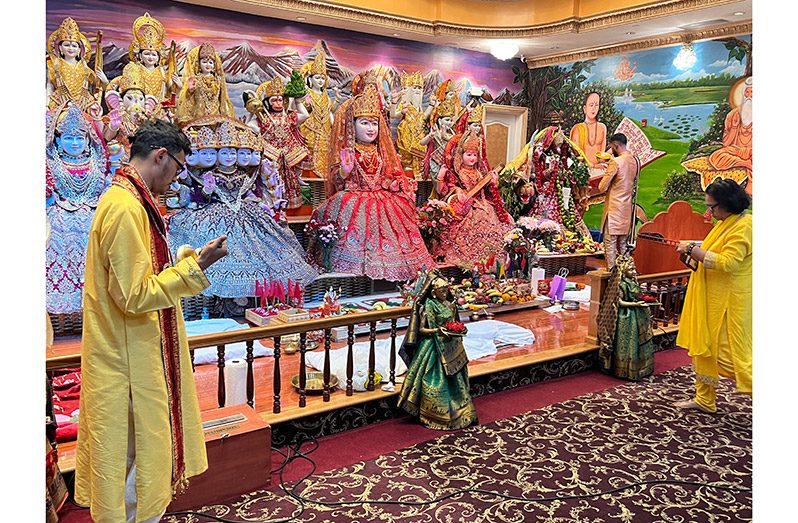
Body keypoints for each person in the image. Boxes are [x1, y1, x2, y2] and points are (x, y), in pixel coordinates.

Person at [74, 119, 229, 523]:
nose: (176, 179)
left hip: (130, 349)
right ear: (160, 156)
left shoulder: (130, 199)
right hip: (127, 361)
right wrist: (197, 268)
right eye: (177, 167)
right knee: (138, 455)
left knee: (136, 453)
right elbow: (135, 295)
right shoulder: (125, 207)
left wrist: (182, 262)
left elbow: (138, 278)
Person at [307, 81, 433, 281]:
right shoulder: (348, 151)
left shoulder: (382, 150)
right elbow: (337, 182)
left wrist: (394, 184)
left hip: (383, 200)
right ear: (352, 125)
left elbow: (387, 176)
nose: (371, 128)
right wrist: (344, 170)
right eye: (364, 122)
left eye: (374, 123)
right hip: (353, 198)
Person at [674, 178, 752, 413]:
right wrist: (693, 252)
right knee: (704, 348)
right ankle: (704, 399)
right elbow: (713, 252)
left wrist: (691, 250)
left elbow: (728, 263)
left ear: (728, 204)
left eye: (712, 207)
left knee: (732, 357)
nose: (709, 213)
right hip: (711, 297)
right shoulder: (727, 222)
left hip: (730, 303)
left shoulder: (745, 226)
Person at [398, 270, 477, 430]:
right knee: (431, 379)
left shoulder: (450, 304)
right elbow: (421, 330)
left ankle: (461, 412)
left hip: (451, 346)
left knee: (457, 379)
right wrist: (437, 331)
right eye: (441, 291)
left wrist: (457, 331)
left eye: (445, 290)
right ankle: (434, 415)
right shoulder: (429, 306)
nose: (444, 293)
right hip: (432, 347)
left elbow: (454, 322)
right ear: (433, 293)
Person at [434, 130, 513, 267]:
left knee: (503, 223)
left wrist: (494, 183)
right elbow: (444, 191)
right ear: (461, 155)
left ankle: (492, 264)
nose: (472, 158)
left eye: (475, 155)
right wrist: (443, 179)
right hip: (466, 208)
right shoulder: (456, 173)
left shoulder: (480, 172)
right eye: (469, 155)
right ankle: (472, 263)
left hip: (484, 204)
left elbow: (488, 191)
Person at [597, 254, 654, 380]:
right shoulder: (621, 284)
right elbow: (620, 302)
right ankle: (624, 369)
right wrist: (635, 304)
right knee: (629, 341)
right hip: (627, 315)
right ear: (623, 271)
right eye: (631, 269)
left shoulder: (633, 281)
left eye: (634, 269)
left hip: (637, 313)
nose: (634, 272)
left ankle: (641, 367)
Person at [598, 133, 640, 269]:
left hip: (614, 209)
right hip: (626, 209)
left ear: (615, 145)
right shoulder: (635, 161)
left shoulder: (615, 162)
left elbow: (602, 187)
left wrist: (606, 168)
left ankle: (612, 277)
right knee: (622, 245)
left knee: (610, 243)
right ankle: (625, 276)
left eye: (612, 147)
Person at [708, 77, 753, 193]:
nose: (749, 96)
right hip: (735, 150)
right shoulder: (733, 115)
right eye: (747, 93)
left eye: (752, 93)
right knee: (715, 156)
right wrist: (733, 127)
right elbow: (726, 143)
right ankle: (745, 164)